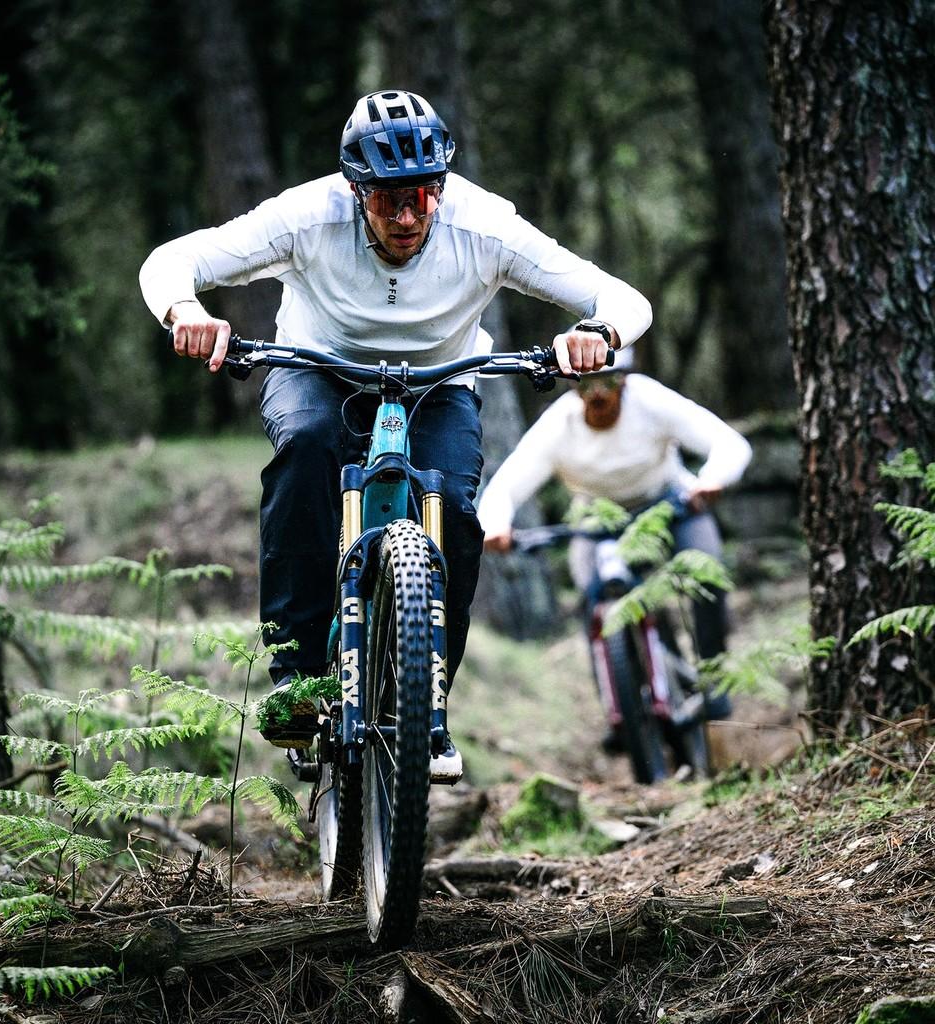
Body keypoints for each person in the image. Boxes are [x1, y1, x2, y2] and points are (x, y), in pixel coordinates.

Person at [139, 89, 652, 762]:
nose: (407, 216)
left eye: (422, 195)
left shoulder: (486, 226)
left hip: (440, 383)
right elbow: (174, 261)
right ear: (356, 192)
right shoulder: (306, 215)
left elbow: (623, 299)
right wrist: (186, 312)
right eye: (387, 199)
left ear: (440, 185)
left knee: (459, 513)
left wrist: (597, 331)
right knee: (307, 447)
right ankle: (297, 678)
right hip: (316, 370)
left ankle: (427, 707)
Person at [478, 346, 752, 725]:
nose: (598, 396)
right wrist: (495, 524)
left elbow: (728, 443)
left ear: (625, 383)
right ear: (573, 389)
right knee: (594, 601)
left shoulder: (650, 400)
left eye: (608, 383)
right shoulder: (558, 426)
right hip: (596, 522)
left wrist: (713, 480)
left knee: (706, 574)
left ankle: (714, 680)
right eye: (586, 386)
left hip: (669, 505)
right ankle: (617, 707)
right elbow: (506, 486)